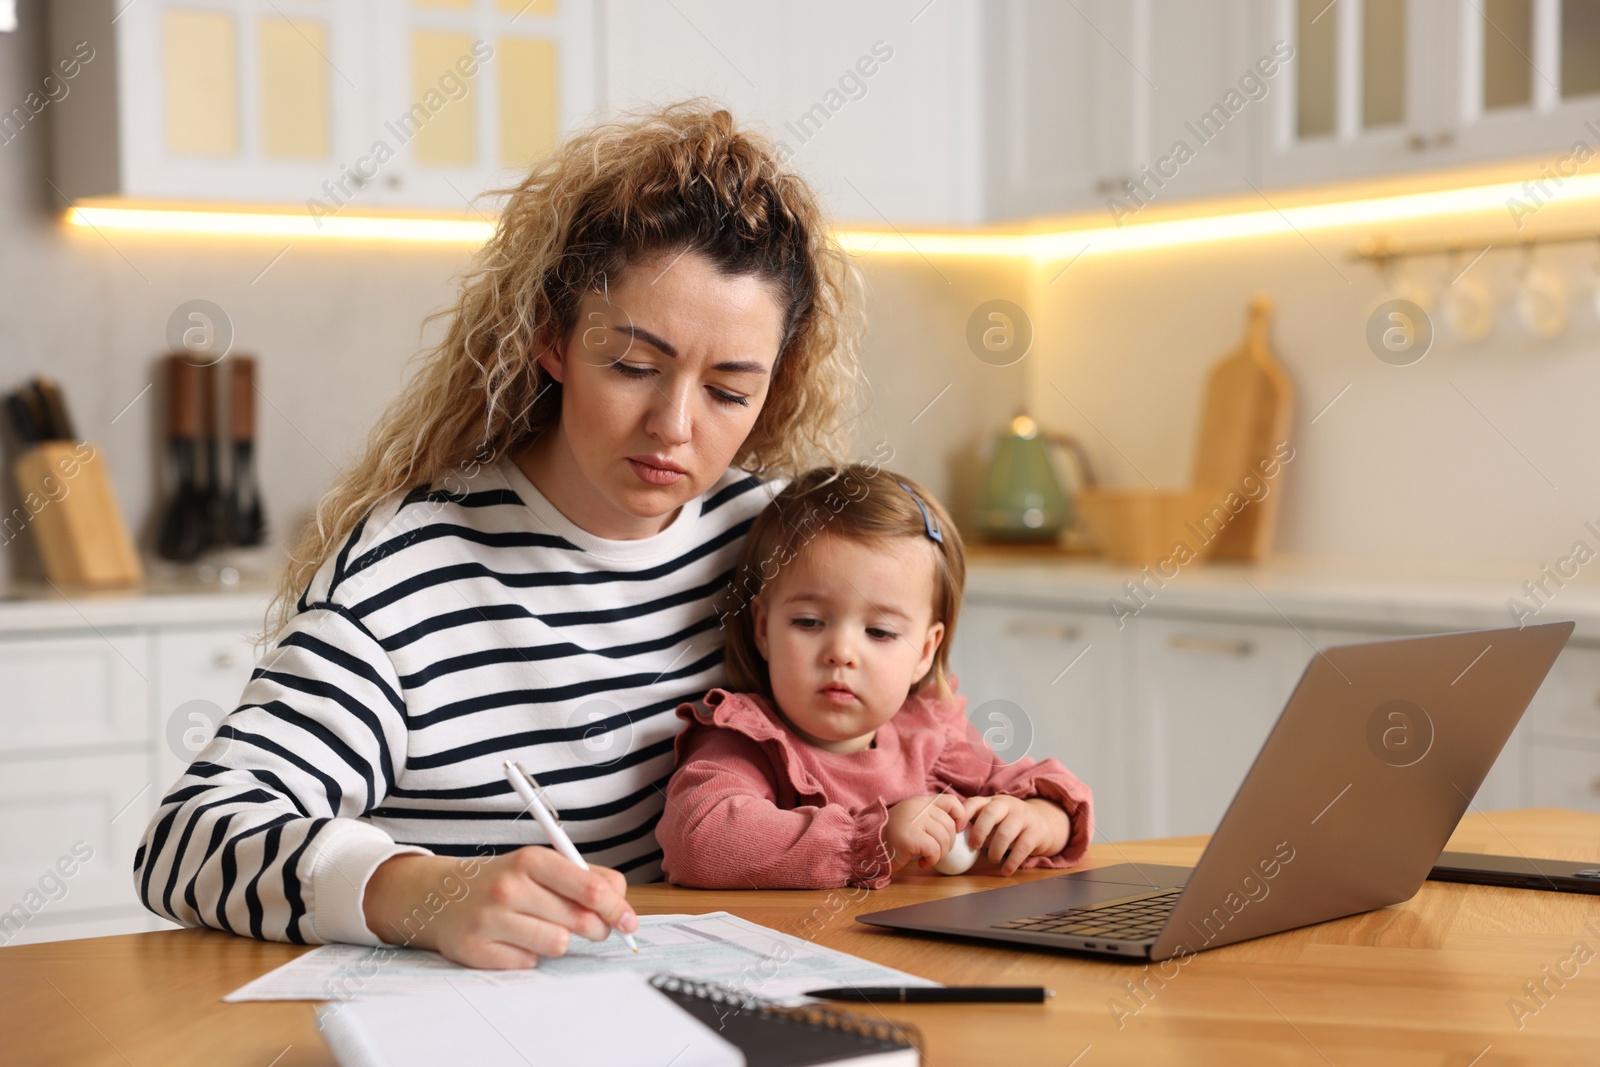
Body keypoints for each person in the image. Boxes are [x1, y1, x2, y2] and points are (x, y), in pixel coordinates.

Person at [133, 102, 866, 968]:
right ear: (551, 339)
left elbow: (915, 742)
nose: (673, 425)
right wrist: (427, 891)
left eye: (729, 390)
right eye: (633, 365)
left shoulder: (780, 548)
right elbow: (188, 842)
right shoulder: (413, 567)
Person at [658, 465, 1093, 890]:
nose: (841, 653)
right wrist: (869, 841)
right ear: (762, 630)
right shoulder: (745, 739)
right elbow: (698, 838)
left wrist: (1037, 819)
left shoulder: (934, 736)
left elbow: (1058, 794)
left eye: (880, 632)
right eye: (809, 622)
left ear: (925, 652)